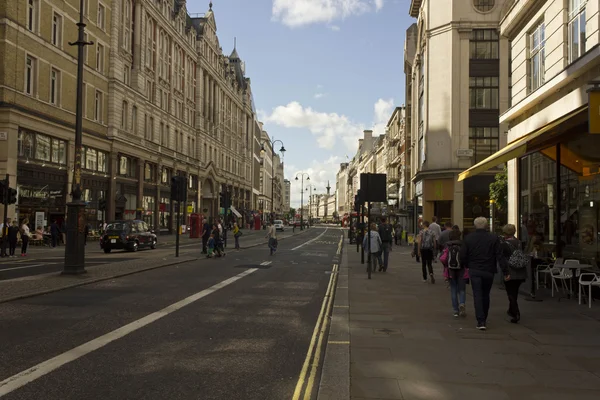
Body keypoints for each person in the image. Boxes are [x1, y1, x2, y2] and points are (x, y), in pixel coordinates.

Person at [459, 217, 508, 331]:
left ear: (475, 225)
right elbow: (499, 255)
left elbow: (462, 255)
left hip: (474, 269)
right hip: (488, 270)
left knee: (477, 294)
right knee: (486, 294)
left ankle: (480, 321)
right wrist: (505, 271)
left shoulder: (468, 238)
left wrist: (466, 266)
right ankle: (484, 317)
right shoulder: (493, 238)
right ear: (486, 226)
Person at [500, 224, 528, 323]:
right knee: (514, 291)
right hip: (520, 270)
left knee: (510, 292)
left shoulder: (503, 244)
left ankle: (515, 312)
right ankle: (511, 310)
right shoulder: (519, 242)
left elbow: (502, 258)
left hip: (510, 270)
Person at [441, 227, 468, 317]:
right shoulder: (463, 244)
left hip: (451, 270)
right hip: (462, 269)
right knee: (462, 289)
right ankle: (462, 303)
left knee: (453, 289)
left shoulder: (447, 245)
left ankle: (455, 310)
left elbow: (443, 258)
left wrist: (446, 266)